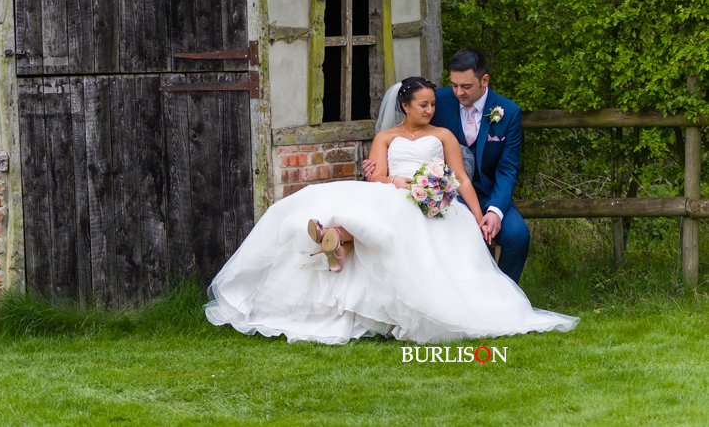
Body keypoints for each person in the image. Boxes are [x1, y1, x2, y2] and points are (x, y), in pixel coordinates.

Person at [204, 76, 577, 345]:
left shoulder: (443, 136)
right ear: (404, 106)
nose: (431, 110)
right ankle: (336, 240)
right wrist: (397, 183)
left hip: (431, 203)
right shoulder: (385, 137)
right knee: (365, 207)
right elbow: (377, 177)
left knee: (390, 221)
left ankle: (337, 241)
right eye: (423, 105)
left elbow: (460, 178)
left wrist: (479, 215)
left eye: (433, 104)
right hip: (394, 191)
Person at [361, 48, 529, 284]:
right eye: (454, 85)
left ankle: (503, 293)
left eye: (466, 86)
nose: (458, 92)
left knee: (518, 235)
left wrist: (493, 212)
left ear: (484, 80)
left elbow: (508, 169)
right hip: (443, 193)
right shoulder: (434, 100)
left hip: (489, 193)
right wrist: (378, 170)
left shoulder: (508, 112)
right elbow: (409, 128)